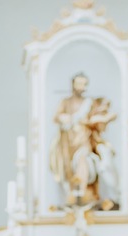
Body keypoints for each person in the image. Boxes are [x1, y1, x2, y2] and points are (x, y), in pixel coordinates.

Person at [49, 72, 119, 209]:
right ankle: (73, 196)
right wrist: (64, 118)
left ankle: (80, 196)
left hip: (84, 139)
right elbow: (56, 117)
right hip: (68, 142)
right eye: (79, 83)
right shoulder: (66, 102)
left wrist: (103, 118)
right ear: (73, 85)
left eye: (84, 84)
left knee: (83, 160)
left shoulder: (89, 103)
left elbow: (100, 115)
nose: (82, 86)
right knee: (69, 169)